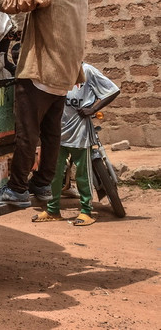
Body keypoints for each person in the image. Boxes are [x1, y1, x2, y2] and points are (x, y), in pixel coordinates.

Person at [0, 0, 88, 207]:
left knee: (27, 134)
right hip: (64, 76)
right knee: (51, 134)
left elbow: (9, 3)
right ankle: (42, 184)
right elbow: (41, 5)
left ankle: (17, 188)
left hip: (40, 72)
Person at [32, 63, 120, 226]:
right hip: (56, 132)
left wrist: (93, 109)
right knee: (54, 173)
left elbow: (113, 90)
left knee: (82, 173)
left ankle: (86, 211)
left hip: (79, 132)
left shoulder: (87, 70)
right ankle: (53, 210)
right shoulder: (52, 69)